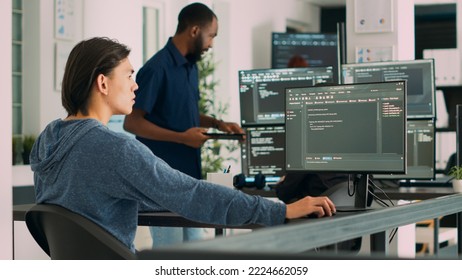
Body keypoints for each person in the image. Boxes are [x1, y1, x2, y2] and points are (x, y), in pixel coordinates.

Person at [29, 37, 336, 253]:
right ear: (103, 83)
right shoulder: (115, 149)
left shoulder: (48, 140)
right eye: (129, 75)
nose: (136, 85)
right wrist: (280, 211)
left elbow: (89, 195)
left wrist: (157, 187)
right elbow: (190, 194)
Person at [123, 3, 243, 246]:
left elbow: (183, 113)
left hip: (190, 182)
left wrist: (219, 124)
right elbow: (132, 122)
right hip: (162, 186)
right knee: (170, 258)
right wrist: (182, 138)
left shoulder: (190, 67)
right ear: (195, 31)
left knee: (197, 253)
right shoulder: (156, 69)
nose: (211, 44)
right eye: (211, 36)